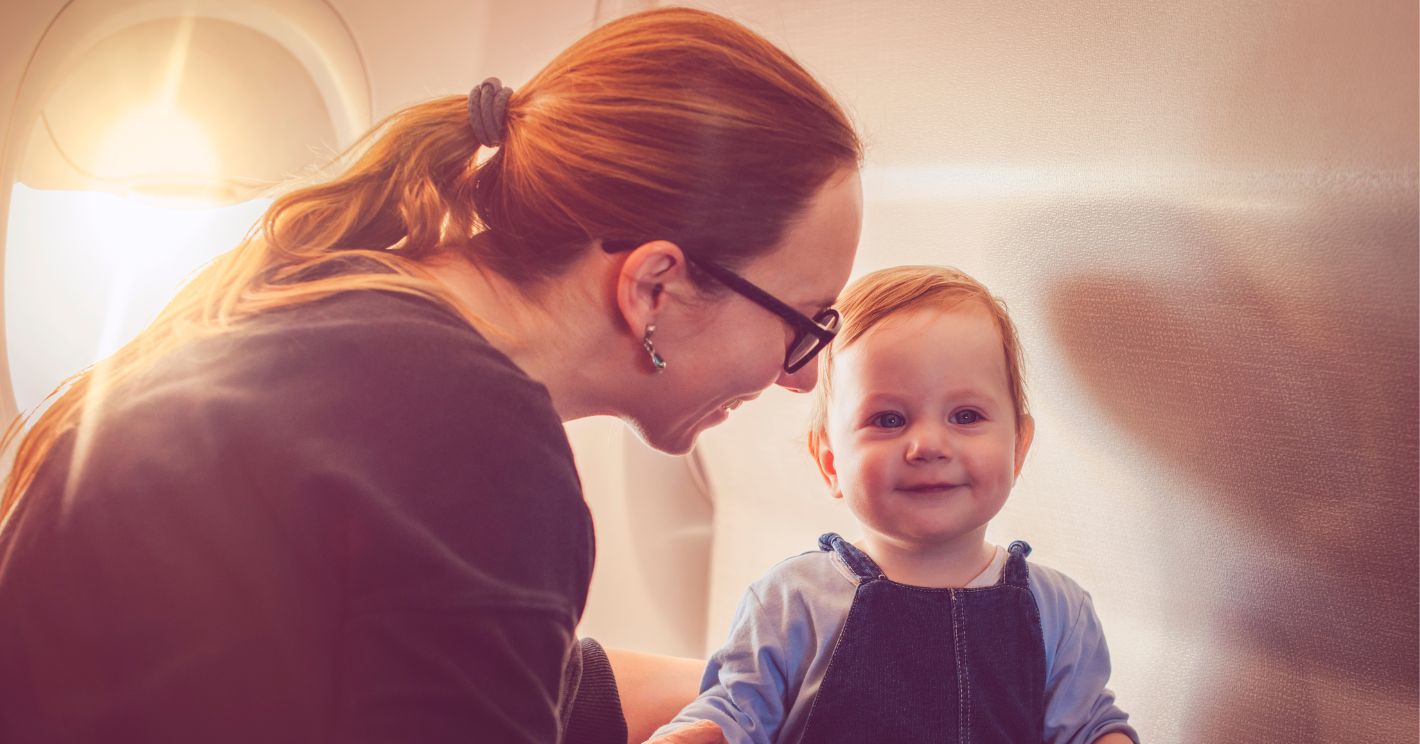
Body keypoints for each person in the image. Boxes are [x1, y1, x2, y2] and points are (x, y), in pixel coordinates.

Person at [0, 8, 862, 743]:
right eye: (803, 325)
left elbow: (444, 660)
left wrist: (748, 688)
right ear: (653, 286)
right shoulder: (471, 436)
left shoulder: (346, 308)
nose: (799, 379)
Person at [653, 266, 1140, 744]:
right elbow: (734, 709)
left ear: (1018, 449)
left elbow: (1086, 723)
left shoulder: (1057, 609)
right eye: (888, 419)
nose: (928, 444)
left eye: (965, 415)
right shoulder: (792, 601)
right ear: (830, 464)